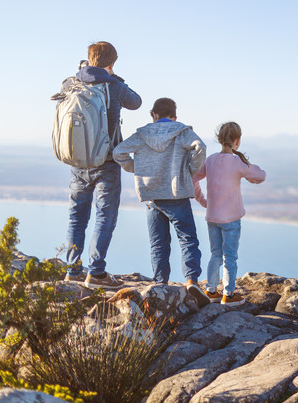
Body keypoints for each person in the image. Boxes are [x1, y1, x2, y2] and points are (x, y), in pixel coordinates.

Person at [113, 98, 211, 307]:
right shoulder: (182, 131)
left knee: (158, 243)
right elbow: (200, 148)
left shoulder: (142, 134)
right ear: (175, 117)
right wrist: (189, 171)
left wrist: (136, 168)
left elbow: (118, 151)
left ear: (154, 115)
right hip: (177, 194)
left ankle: (160, 283)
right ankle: (192, 280)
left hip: (152, 196)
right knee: (187, 238)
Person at [61, 41, 142, 289]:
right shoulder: (113, 85)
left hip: (78, 161)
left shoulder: (73, 83)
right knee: (105, 216)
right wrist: (114, 77)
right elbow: (136, 102)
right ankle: (96, 273)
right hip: (106, 162)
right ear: (111, 63)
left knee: (77, 217)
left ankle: (72, 270)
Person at [192, 122, 266, 306]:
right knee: (230, 257)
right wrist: (247, 174)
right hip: (231, 219)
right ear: (237, 141)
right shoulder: (237, 162)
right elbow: (261, 175)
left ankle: (210, 291)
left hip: (212, 217)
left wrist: (204, 202)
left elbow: (193, 180)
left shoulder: (210, 160)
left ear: (220, 139)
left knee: (215, 254)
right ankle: (229, 295)